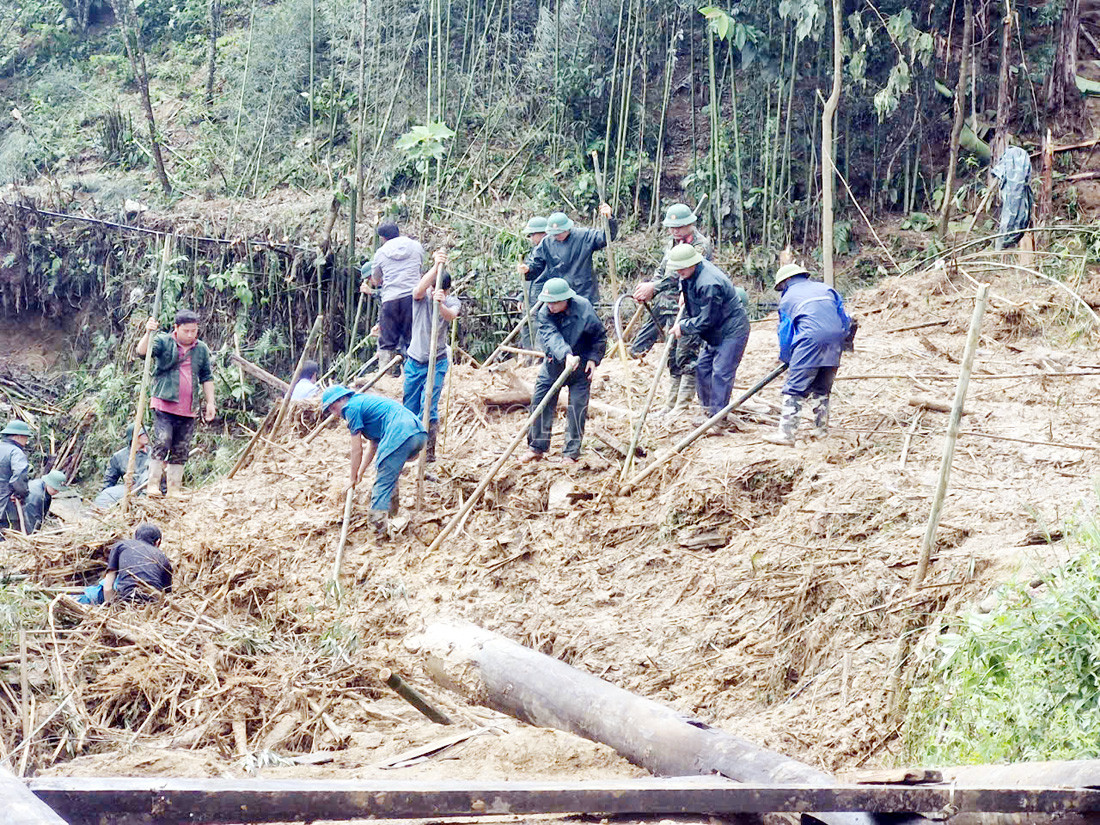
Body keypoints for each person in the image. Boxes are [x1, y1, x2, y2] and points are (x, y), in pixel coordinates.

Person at [631, 203, 714, 416]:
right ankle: (670, 404)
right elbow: (663, 270)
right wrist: (649, 288)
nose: (675, 230)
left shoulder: (700, 245)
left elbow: (681, 273)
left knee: (687, 354)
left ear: (691, 224)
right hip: (667, 306)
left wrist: (655, 287)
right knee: (672, 355)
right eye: (672, 227)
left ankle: (682, 406)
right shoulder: (671, 243)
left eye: (680, 226)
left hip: (688, 306)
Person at [522, 278, 607, 465]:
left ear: (566, 299)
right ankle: (537, 446)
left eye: (554, 303)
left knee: (577, 408)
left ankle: (570, 453)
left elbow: (599, 336)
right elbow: (551, 336)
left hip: (581, 364)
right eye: (548, 302)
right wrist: (565, 354)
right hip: (554, 363)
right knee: (540, 402)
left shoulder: (584, 308)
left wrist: (593, 358)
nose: (550, 306)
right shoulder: (544, 313)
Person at [765, 263, 852, 446]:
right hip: (836, 337)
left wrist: (788, 358)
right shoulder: (827, 289)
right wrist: (842, 340)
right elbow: (845, 319)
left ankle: (787, 434)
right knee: (822, 387)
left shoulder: (788, 298)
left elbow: (786, 333)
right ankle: (821, 430)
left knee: (794, 387)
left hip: (810, 338)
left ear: (787, 281)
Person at [321, 385, 427, 532]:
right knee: (389, 475)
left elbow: (356, 449)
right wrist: (359, 474)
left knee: (382, 483)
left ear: (342, 400)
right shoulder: (364, 404)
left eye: (333, 408)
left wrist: (351, 477)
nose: (335, 414)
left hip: (400, 433)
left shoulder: (351, 408)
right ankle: (391, 516)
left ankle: (378, 531)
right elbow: (372, 446)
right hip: (418, 433)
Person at [136, 309, 215, 496]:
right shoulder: (164, 341)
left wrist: (210, 403)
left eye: (194, 331)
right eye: (186, 331)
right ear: (176, 328)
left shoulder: (201, 349)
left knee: (181, 448)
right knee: (162, 441)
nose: (190, 335)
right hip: (165, 403)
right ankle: (153, 484)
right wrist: (148, 333)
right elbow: (142, 352)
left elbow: (206, 376)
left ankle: (174, 488)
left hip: (189, 408)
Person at [668, 243, 750, 420]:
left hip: (731, 330)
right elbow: (692, 292)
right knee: (703, 368)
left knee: (721, 372)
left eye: (682, 269)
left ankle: (718, 419)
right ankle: (707, 412)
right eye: (677, 269)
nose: (679, 272)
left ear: (692, 263)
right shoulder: (691, 273)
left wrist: (683, 327)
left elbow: (707, 319)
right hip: (714, 331)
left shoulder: (709, 283)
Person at [403, 250, 461, 462]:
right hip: (414, 360)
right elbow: (418, 290)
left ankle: (428, 454)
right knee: (409, 405)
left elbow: (451, 315)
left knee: (429, 404)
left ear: (445, 290)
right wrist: (436, 266)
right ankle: (408, 450)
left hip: (436, 361)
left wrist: (441, 304)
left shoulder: (452, 301)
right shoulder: (420, 297)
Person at [361, 222, 427, 373]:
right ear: (398, 232)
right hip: (413, 297)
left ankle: (385, 376)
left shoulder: (381, 253)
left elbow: (376, 279)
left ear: (383, 238)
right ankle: (412, 373)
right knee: (412, 338)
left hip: (390, 299)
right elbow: (419, 267)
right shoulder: (416, 246)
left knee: (387, 341)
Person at [520, 205, 615, 308]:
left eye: (561, 232)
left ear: (568, 228)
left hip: (583, 290)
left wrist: (609, 218)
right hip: (558, 293)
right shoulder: (546, 243)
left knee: (583, 320)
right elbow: (536, 265)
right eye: (555, 234)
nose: (558, 236)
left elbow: (606, 237)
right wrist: (527, 269)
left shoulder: (584, 236)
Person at [104, 523, 172, 604]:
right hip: (152, 603)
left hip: (126, 599)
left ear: (135, 538)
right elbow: (167, 595)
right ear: (158, 542)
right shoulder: (163, 558)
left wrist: (110, 606)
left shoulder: (121, 545)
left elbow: (108, 587)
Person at [991, 145, 1033, 250]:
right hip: (1011, 202)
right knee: (1008, 222)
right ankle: (1001, 249)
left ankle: (1004, 247)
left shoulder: (1021, 189)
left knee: (1014, 220)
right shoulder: (1009, 161)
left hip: (1016, 202)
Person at [518, 216, 548, 352]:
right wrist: (521, 296)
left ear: (543, 234)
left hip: (542, 296)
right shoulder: (534, 251)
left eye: (533, 235)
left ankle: (538, 356)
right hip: (529, 297)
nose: (530, 238)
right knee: (525, 325)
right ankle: (527, 356)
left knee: (539, 324)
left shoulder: (551, 250)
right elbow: (529, 276)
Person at [0, 420, 31, 533]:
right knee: (9, 535)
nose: (26, 441)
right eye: (25, 437)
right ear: (18, 437)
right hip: (6, 504)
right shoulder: (16, 452)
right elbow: (19, 475)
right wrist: (20, 494)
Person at [102, 424, 150, 491]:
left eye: (146, 433)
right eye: (143, 433)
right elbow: (109, 481)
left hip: (149, 491)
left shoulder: (154, 454)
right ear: (133, 436)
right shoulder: (119, 456)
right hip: (129, 492)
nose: (146, 435)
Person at [24, 469, 66, 534]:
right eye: (55, 489)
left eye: (58, 490)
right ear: (49, 483)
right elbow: (31, 520)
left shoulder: (45, 488)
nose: (57, 492)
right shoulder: (36, 496)